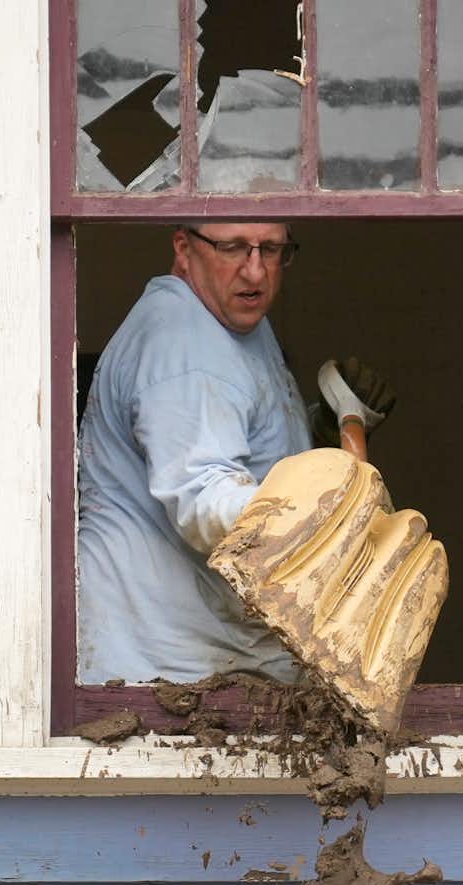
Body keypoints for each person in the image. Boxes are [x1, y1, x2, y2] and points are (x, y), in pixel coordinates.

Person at [76, 220, 318, 685]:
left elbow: (240, 439)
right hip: (163, 671)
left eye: (270, 249)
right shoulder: (185, 344)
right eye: (231, 248)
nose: (255, 273)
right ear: (184, 248)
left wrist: (324, 424)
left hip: (203, 651)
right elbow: (203, 499)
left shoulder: (233, 318)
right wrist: (324, 517)